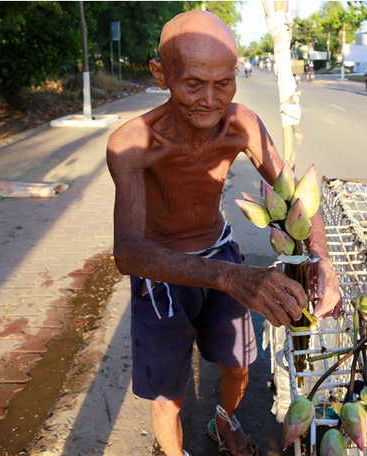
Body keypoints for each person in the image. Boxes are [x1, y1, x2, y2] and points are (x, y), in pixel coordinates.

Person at [106, 10, 341, 456]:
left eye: (224, 83)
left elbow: (295, 199)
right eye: (193, 84)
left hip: (218, 252)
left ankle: (224, 421)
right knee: (168, 396)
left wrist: (320, 259)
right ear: (161, 74)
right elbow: (129, 253)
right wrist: (231, 277)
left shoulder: (241, 124)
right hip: (161, 273)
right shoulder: (133, 143)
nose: (210, 101)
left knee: (239, 366)